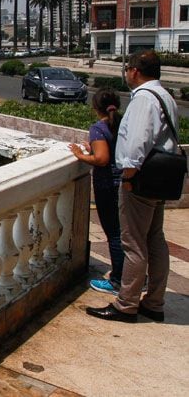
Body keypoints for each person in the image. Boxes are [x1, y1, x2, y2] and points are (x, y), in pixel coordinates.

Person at [86, 50, 178, 323]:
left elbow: (137, 143)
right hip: (160, 179)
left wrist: (127, 178)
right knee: (155, 240)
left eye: (127, 69)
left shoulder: (143, 100)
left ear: (135, 71)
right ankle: (154, 301)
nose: (126, 74)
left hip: (140, 180)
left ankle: (126, 304)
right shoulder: (165, 96)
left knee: (133, 243)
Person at [69, 88, 124, 295]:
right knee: (126, 234)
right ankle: (134, 277)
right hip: (124, 183)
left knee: (114, 234)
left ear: (95, 108)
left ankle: (117, 280)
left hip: (108, 186)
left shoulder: (98, 128)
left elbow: (102, 159)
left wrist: (80, 155)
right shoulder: (120, 124)